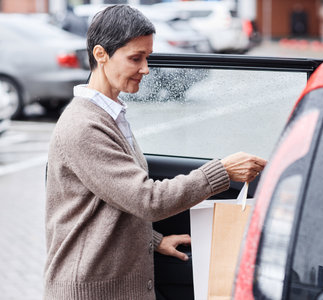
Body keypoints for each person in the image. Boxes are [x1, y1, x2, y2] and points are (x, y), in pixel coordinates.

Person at [44, 4, 266, 300]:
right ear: (101, 54)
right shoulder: (84, 126)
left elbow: (108, 204)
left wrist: (152, 240)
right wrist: (222, 171)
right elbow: (146, 199)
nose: (146, 69)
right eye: (136, 58)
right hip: (91, 291)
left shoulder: (110, 115)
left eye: (147, 57)